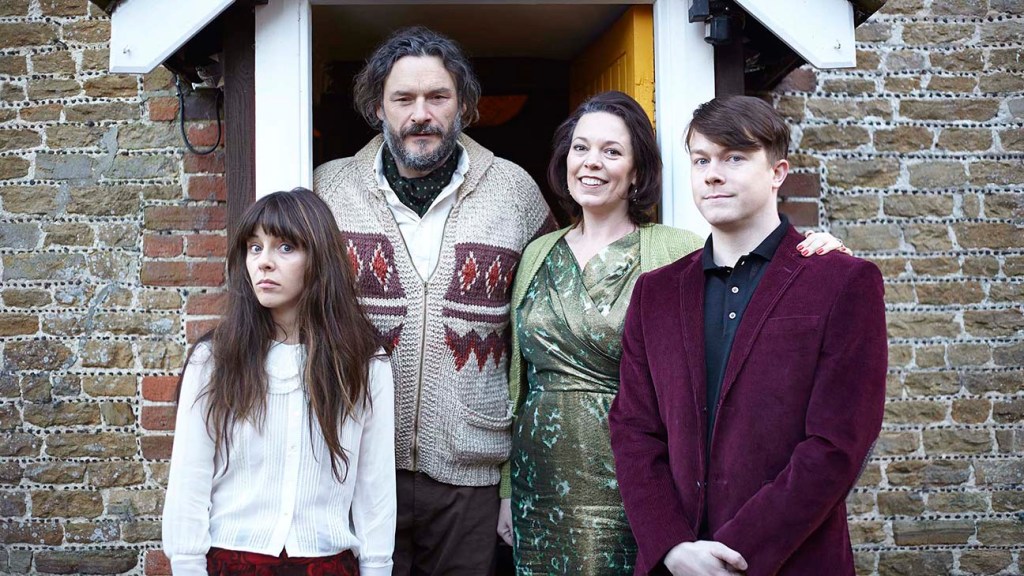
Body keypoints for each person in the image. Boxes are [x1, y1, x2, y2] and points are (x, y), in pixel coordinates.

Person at [499, 91, 849, 575]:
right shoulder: (536, 254)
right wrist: (507, 488)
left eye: (611, 151)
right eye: (581, 148)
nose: (591, 162)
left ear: (637, 171)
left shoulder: (674, 251)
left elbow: (748, 262)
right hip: (538, 480)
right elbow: (517, 380)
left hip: (632, 487)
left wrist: (817, 247)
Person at [609, 95, 888, 576]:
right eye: (701, 160)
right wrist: (672, 546)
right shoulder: (655, 292)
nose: (712, 174)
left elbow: (837, 444)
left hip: (791, 562)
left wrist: (733, 554)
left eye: (734, 158)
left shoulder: (842, 281)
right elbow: (634, 430)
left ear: (778, 172)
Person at [314, 27, 553, 575]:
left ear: (463, 105)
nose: (421, 114)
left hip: (472, 470)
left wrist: (514, 483)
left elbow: (544, 329)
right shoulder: (328, 190)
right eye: (403, 98)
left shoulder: (514, 192)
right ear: (378, 107)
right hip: (355, 462)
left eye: (437, 97)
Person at [162, 189, 396, 576]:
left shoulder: (365, 363)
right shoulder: (215, 359)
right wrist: (187, 565)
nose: (264, 262)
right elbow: (189, 481)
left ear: (319, 259)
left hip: (326, 565)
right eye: (255, 247)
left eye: (285, 247)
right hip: (233, 563)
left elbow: (375, 489)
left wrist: (377, 568)